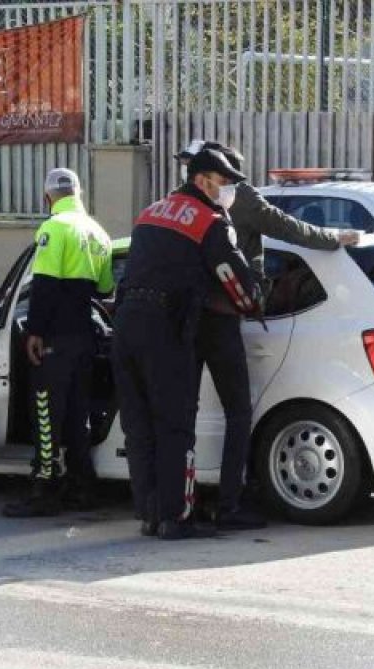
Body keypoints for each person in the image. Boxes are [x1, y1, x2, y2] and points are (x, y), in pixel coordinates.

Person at [174, 140, 360, 529]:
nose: (190, 173)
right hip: (221, 315)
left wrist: (330, 239)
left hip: (207, 315)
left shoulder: (225, 200)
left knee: (196, 414)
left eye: (193, 165)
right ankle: (223, 503)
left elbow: (285, 226)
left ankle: (183, 505)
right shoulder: (204, 205)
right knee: (231, 413)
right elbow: (285, 229)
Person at [114, 148, 262, 541]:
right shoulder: (208, 220)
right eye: (225, 182)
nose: (228, 189)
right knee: (175, 424)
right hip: (165, 328)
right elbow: (237, 280)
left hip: (126, 325)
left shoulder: (151, 212)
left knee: (139, 426)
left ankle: (149, 514)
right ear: (202, 181)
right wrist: (253, 305)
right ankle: (176, 518)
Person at [2, 169, 114, 519]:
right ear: (79, 193)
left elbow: (44, 285)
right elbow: (106, 290)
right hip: (85, 336)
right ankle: (82, 486)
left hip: (55, 337)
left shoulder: (53, 228)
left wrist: (34, 332)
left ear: (47, 197)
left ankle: (44, 490)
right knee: (77, 414)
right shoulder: (99, 232)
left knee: (46, 413)